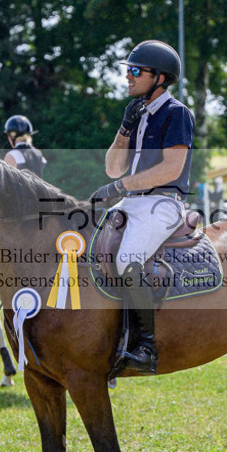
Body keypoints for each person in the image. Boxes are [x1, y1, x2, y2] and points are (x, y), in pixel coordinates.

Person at [89, 40, 194, 375]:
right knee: (87, 244)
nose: (128, 76)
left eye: (135, 70)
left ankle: (147, 347)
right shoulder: (138, 114)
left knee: (127, 259)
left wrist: (120, 187)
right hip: (132, 202)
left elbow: (171, 169)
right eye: (128, 70)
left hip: (161, 203)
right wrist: (124, 129)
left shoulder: (176, 113)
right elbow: (113, 168)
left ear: (159, 77)